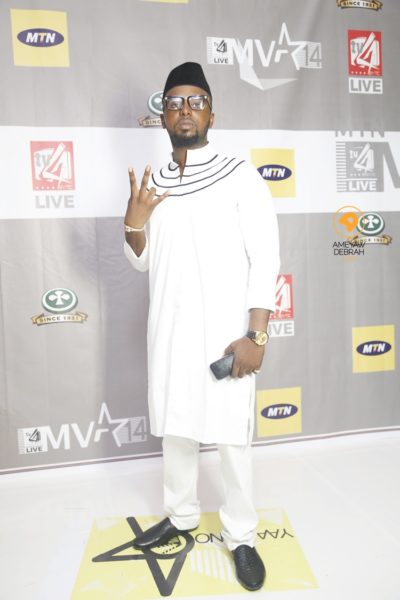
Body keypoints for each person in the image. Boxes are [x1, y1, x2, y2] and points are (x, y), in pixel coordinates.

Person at [124, 62, 280, 591]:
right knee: (177, 430)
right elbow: (143, 262)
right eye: (174, 102)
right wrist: (134, 225)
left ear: (212, 113)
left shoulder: (239, 173)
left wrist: (256, 335)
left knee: (233, 440)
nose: (184, 110)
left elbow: (265, 256)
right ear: (162, 115)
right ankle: (182, 515)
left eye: (195, 101)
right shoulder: (155, 183)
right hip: (170, 332)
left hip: (225, 334)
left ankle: (241, 536)